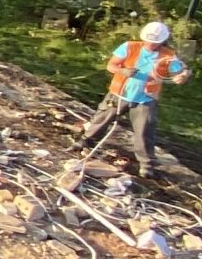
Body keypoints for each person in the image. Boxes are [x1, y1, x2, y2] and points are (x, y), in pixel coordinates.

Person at [77, 20, 188, 174]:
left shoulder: (168, 56)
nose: (151, 44)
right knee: (102, 118)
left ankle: (146, 165)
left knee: (144, 130)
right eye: (149, 41)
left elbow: (180, 71)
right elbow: (111, 65)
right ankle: (85, 141)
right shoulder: (129, 47)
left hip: (145, 98)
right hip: (119, 93)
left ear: (162, 41)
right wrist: (123, 71)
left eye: (155, 42)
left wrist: (182, 76)